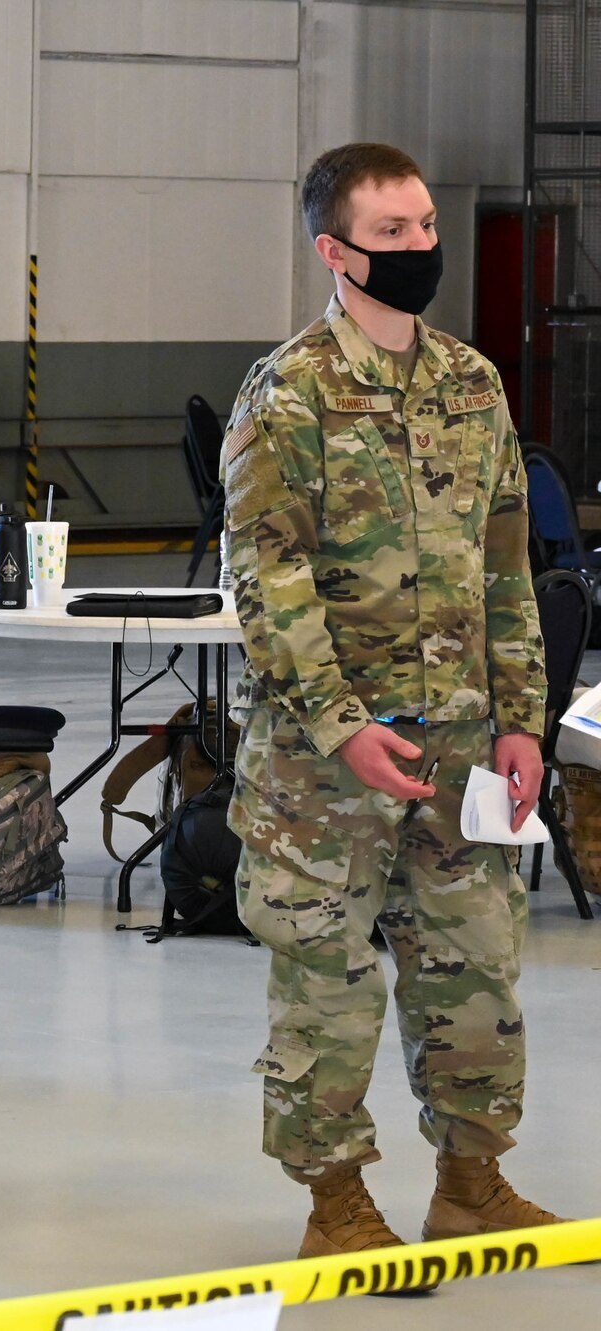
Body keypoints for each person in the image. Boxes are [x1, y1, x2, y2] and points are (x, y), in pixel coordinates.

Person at [223, 142, 567, 1266]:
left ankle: (471, 1181)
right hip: (326, 767)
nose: (420, 248)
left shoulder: (471, 384)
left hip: (463, 744)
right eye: (393, 233)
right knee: (325, 984)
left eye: (425, 227)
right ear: (334, 251)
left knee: (474, 968)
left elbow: (505, 567)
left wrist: (522, 719)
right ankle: (332, 1200)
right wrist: (337, 723)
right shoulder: (287, 393)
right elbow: (266, 587)